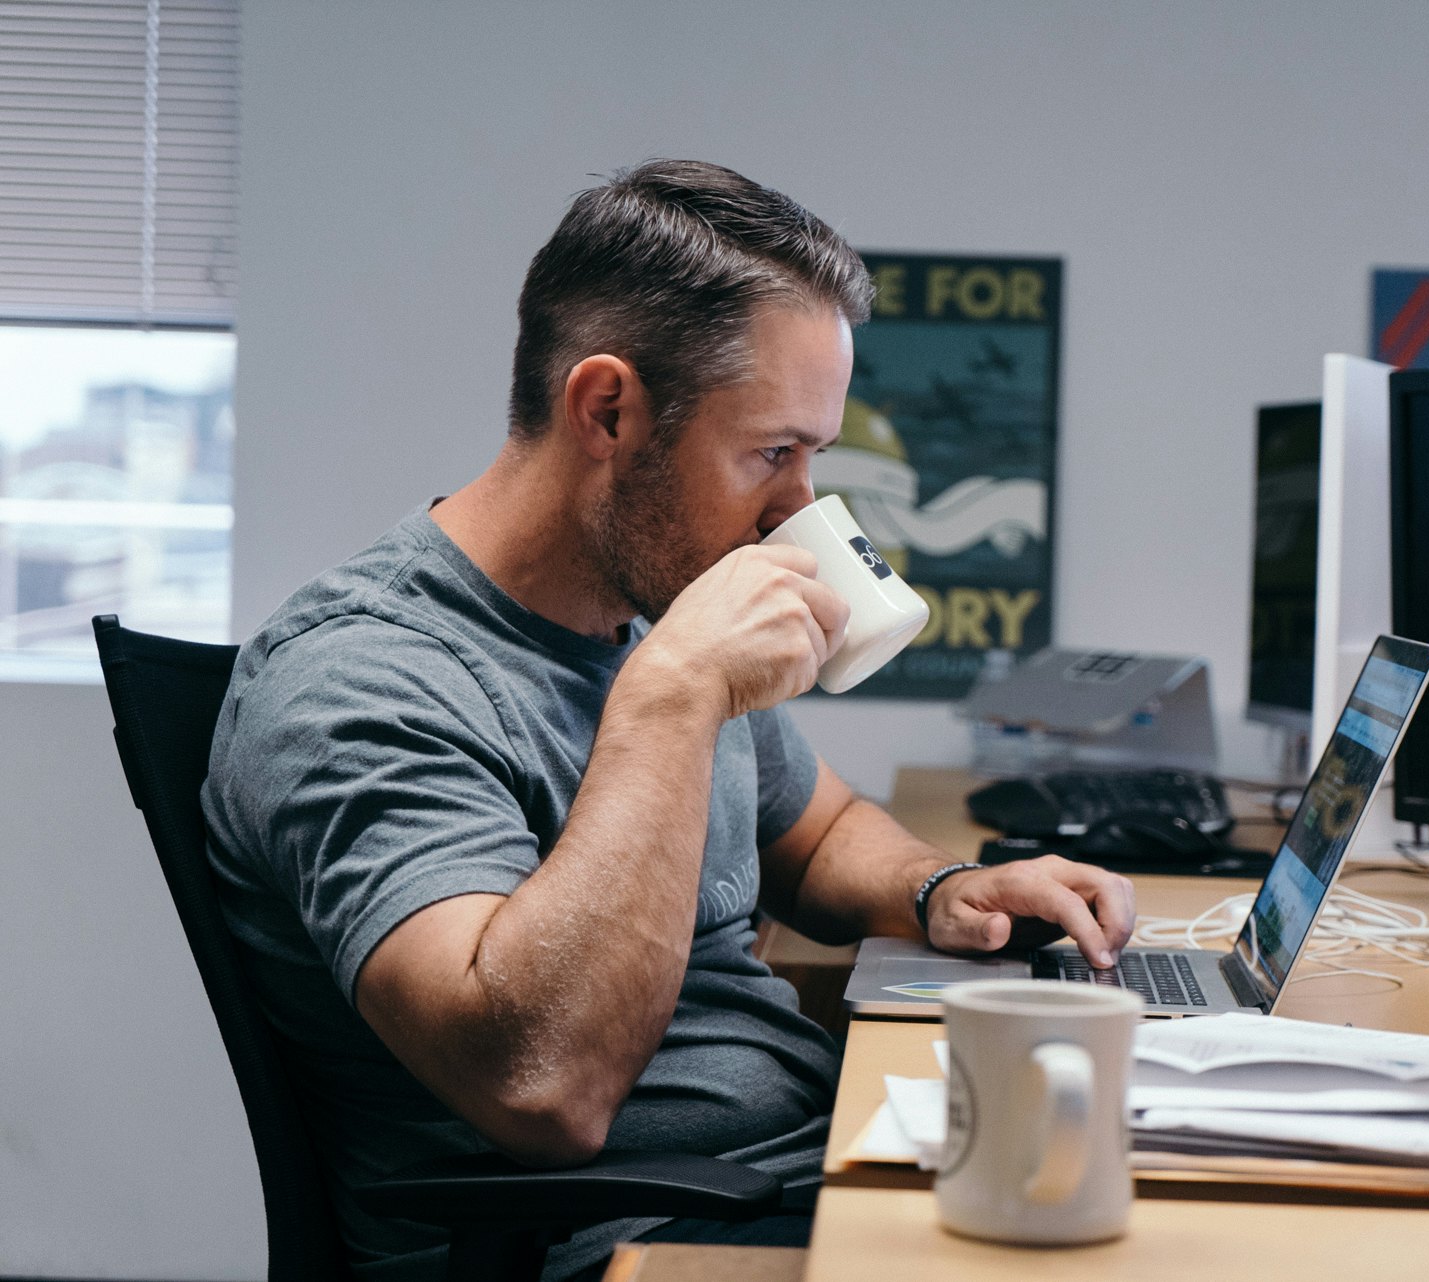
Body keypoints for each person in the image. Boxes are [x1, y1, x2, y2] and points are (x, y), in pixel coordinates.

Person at [201, 159, 1137, 1280]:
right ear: (608, 411)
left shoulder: (653, 614)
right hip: (619, 1242)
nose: (801, 509)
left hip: (791, 1171)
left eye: (813, 457)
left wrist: (939, 888)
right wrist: (669, 699)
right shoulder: (363, 677)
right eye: (771, 453)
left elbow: (823, 831)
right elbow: (541, 1086)